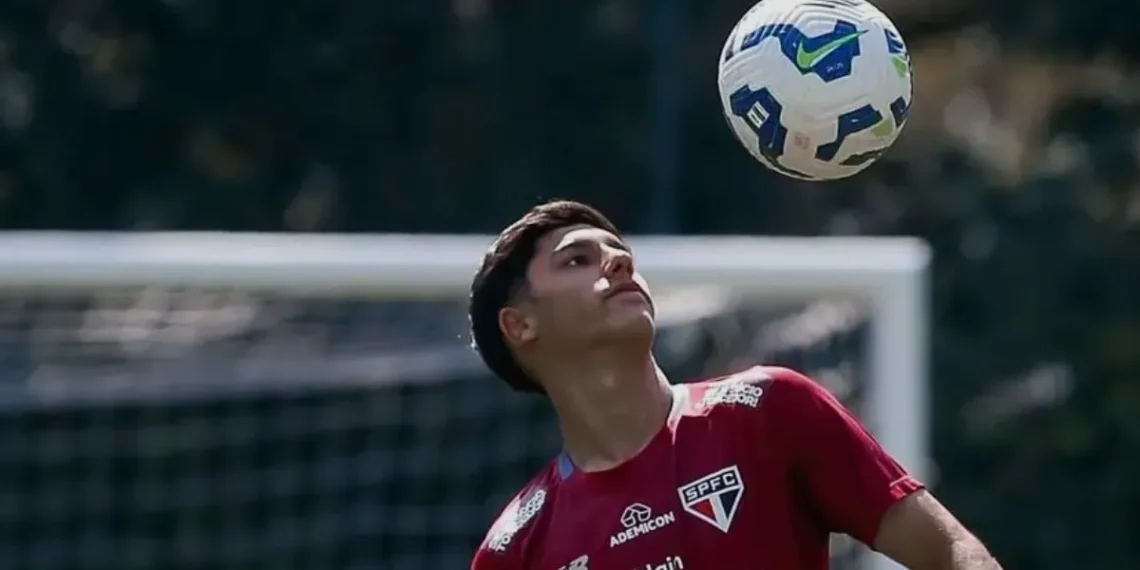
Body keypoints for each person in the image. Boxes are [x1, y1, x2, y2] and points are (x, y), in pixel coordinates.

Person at [466, 200, 1002, 570]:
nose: (621, 261)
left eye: (619, 250)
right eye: (577, 260)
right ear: (520, 326)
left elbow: (949, 551)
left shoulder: (767, 408)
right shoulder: (515, 547)